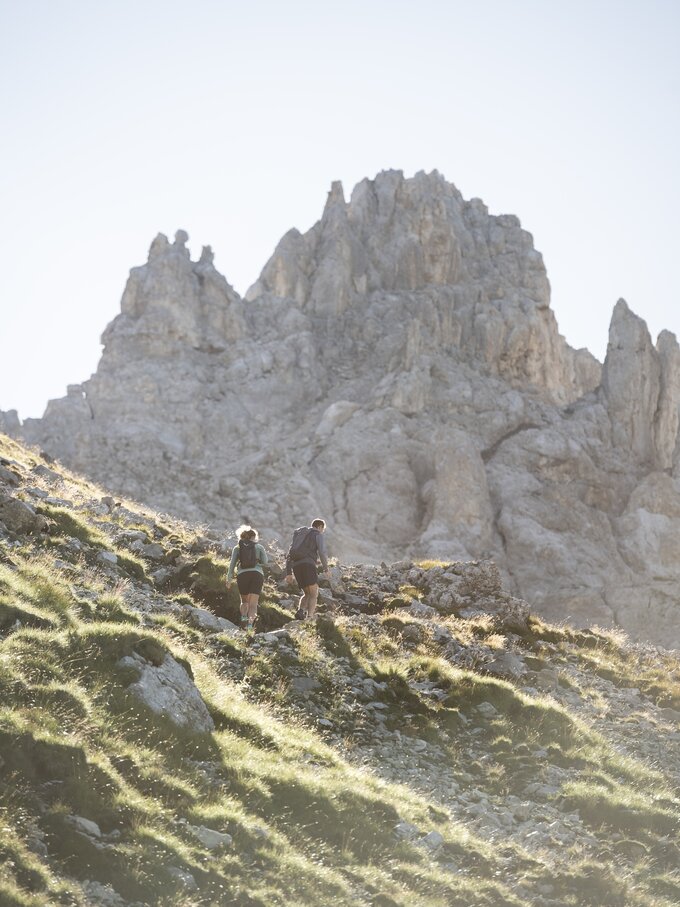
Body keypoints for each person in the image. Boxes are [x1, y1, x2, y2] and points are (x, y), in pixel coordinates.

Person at [284, 518, 329, 620]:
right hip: (308, 565)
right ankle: (310, 617)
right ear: (320, 527)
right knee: (314, 593)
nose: (322, 531)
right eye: (323, 529)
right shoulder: (317, 534)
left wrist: (288, 572)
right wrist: (326, 568)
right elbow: (322, 552)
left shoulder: (300, 535)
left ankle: (300, 611)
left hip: (296, 566)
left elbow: (290, 553)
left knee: (307, 593)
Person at [226, 525, 268, 631]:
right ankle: (250, 626)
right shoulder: (259, 547)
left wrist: (229, 579)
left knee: (244, 601)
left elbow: (232, 564)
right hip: (257, 574)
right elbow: (265, 562)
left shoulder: (237, 547)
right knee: (253, 604)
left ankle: (244, 618)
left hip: (242, 575)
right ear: (253, 537)